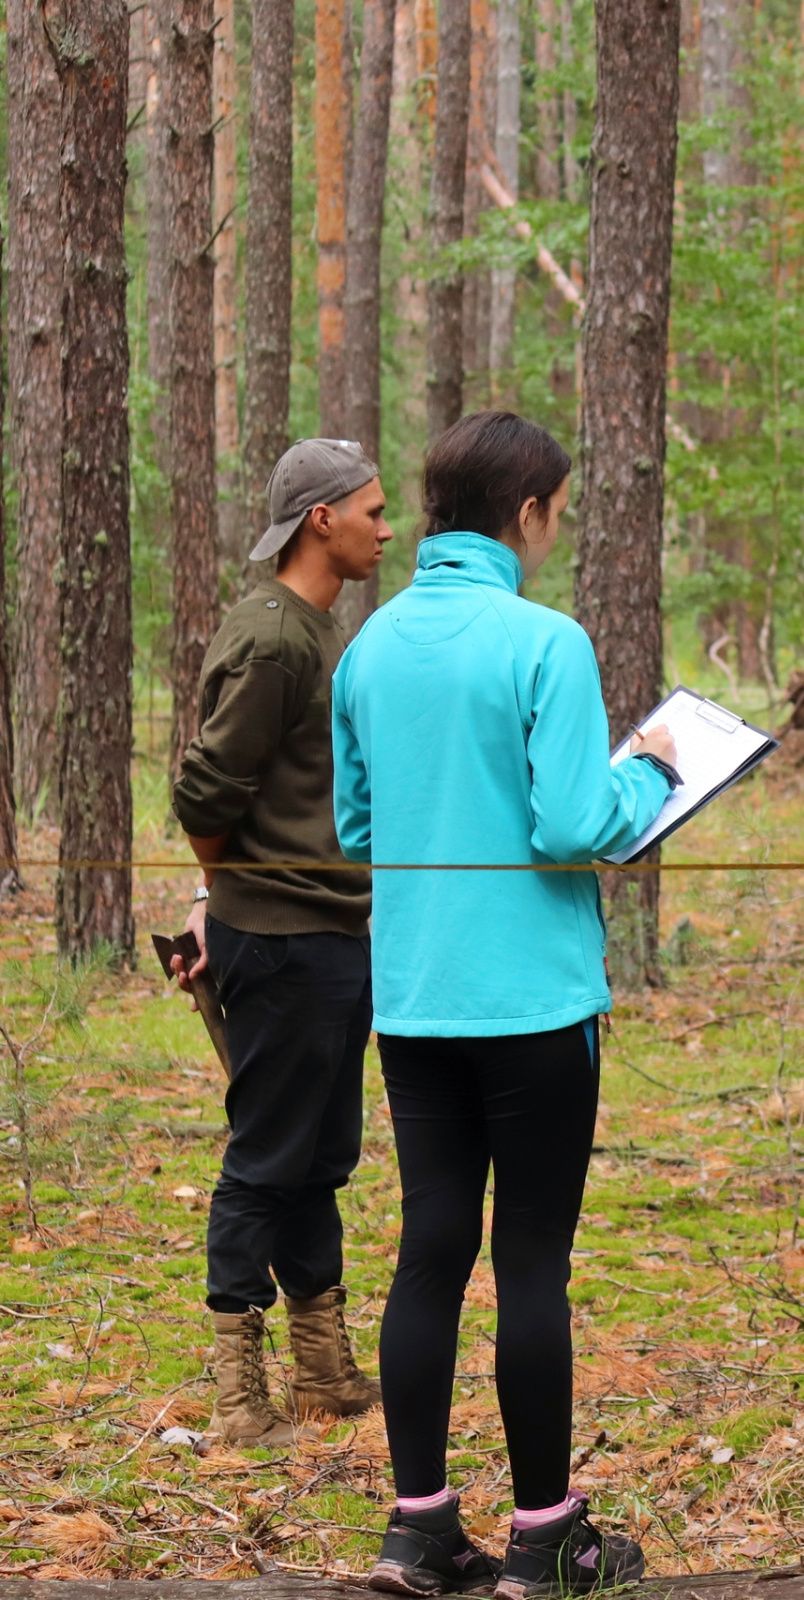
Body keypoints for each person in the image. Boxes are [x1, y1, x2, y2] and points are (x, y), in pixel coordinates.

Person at [334, 413, 679, 1597]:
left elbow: (358, 827)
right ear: (526, 515)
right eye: (556, 515)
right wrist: (656, 770)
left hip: (417, 998)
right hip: (531, 1001)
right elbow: (578, 824)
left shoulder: (369, 648)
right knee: (531, 1258)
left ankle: (419, 1525)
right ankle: (546, 1536)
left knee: (430, 1248)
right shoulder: (546, 641)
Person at [169, 438, 392, 1446]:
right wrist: (231, 892)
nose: (386, 530)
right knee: (266, 1160)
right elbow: (205, 791)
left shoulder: (305, 628)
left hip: (327, 933)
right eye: (373, 511)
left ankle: (323, 1370)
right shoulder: (275, 639)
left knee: (317, 1157)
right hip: (286, 939)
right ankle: (237, 1398)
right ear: (322, 521)